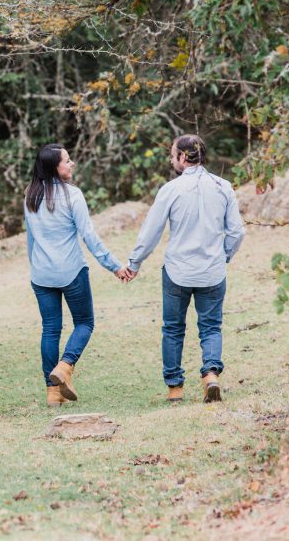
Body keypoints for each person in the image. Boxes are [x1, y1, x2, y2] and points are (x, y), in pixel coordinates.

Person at [127, 134, 245, 403]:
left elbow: (151, 232)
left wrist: (134, 263)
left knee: (172, 328)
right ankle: (211, 374)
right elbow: (237, 232)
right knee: (211, 326)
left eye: (173, 154)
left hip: (177, 271)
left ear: (182, 157)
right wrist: (223, 256)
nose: (172, 159)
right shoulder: (223, 186)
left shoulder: (170, 189)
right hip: (212, 270)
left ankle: (175, 388)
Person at [24, 143, 134, 407]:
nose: (72, 164)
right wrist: (115, 265)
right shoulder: (73, 195)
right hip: (71, 271)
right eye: (67, 161)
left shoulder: (30, 195)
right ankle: (65, 366)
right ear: (54, 167)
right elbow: (89, 237)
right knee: (85, 323)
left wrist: (36, 266)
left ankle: (53, 393)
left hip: (41, 274)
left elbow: (31, 239)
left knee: (50, 329)